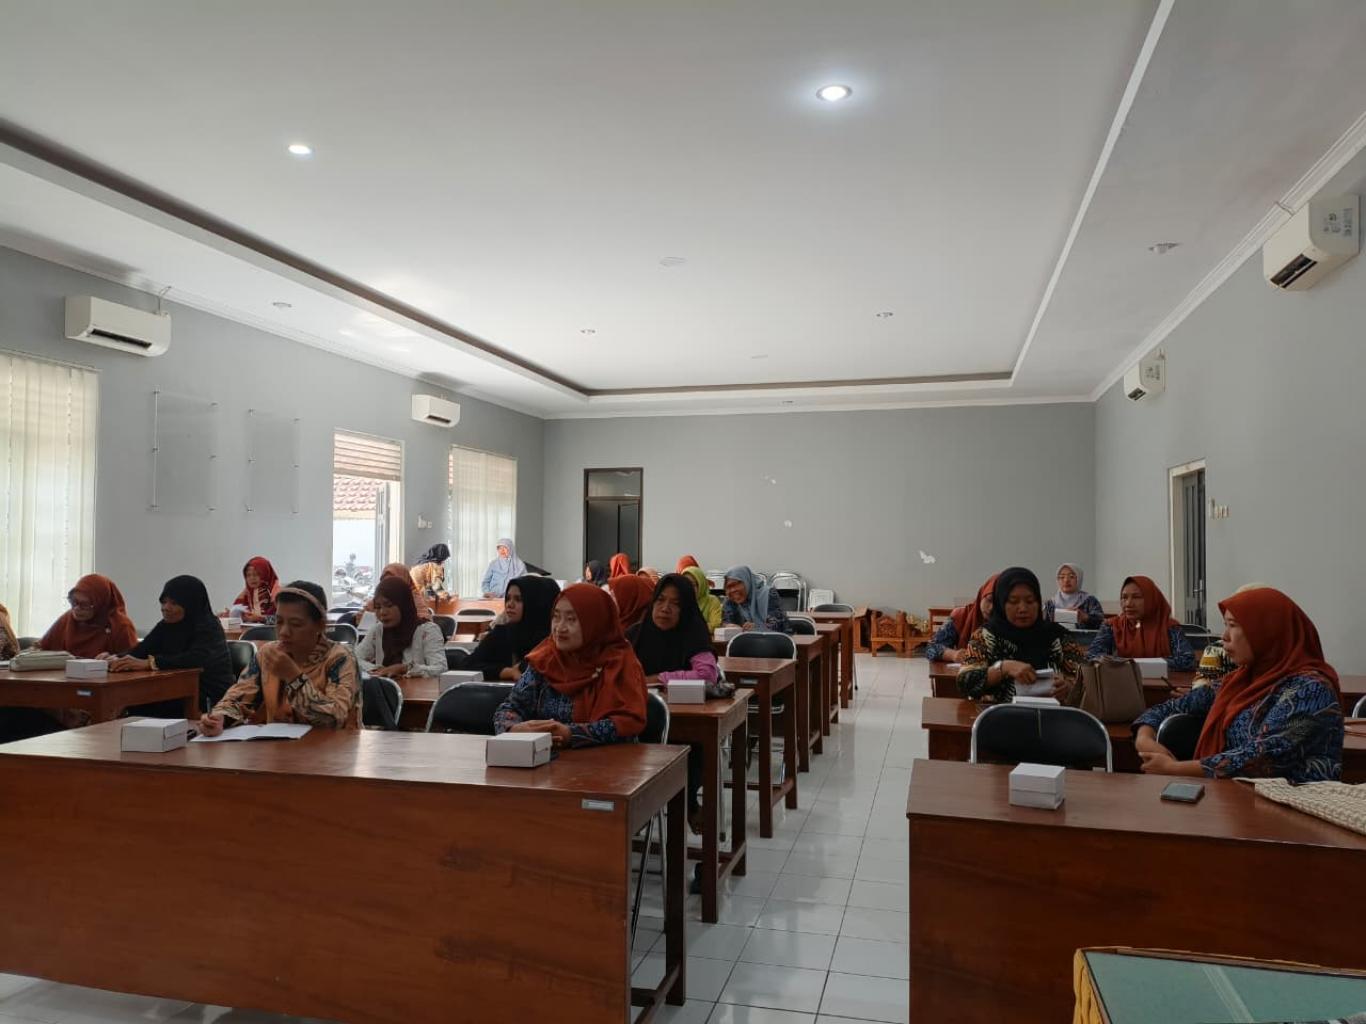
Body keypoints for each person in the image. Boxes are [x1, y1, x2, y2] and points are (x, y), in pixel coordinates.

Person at [1134, 587, 1342, 782]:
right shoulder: (1239, 681)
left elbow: (1264, 756)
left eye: (1233, 625)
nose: (1224, 636)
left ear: (1266, 631)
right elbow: (1171, 707)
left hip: (1293, 803)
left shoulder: (1312, 689)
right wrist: (1145, 737)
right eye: (1226, 625)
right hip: (1236, 797)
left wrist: (1174, 769)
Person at [629, 574, 732, 835]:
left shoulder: (693, 633)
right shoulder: (637, 634)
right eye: (660, 600)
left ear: (685, 609)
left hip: (684, 721)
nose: (665, 608)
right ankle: (636, 808)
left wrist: (659, 678)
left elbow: (707, 675)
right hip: (638, 720)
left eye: (675, 604)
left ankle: (688, 803)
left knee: (690, 747)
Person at [493, 583, 647, 747]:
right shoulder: (545, 659)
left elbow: (628, 724)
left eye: (571, 619)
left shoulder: (620, 663)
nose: (560, 628)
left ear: (595, 622)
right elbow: (510, 708)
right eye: (556, 617)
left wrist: (571, 734)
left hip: (611, 760)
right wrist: (514, 729)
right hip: (548, 757)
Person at [199, 580, 359, 734]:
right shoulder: (268, 654)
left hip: (332, 747)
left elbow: (335, 719)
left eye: (295, 624)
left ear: (320, 625)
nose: (283, 632)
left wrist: (294, 677)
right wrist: (220, 717)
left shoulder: (340, 657)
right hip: (278, 747)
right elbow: (239, 697)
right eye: (279, 622)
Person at [104, 575, 235, 710]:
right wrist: (116, 659)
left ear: (190, 604)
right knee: (127, 701)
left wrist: (151, 663)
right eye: (163, 602)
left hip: (207, 696)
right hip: (173, 689)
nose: (165, 608)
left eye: (173, 603)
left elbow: (195, 658)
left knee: (138, 703)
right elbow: (142, 649)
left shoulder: (209, 627)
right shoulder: (166, 625)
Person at [957, 567, 1084, 703]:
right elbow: (965, 682)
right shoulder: (985, 636)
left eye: (1030, 601)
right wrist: (1003, 668)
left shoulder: (1059, 636)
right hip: (997, 713)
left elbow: (1085, 681)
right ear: (1001, 603)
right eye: (1013, 602)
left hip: (1052, 714)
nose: (1023, 609)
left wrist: (1069, 688)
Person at [456, 575, 560, 681]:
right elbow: (466, 666)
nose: (509, 605)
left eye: (518, 599)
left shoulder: (556, 640)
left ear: (535, 603)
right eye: (508, 598)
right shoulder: (502, 633)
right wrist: (508, 672)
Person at [1086, 576, 1195, 670]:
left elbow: (1187, 660)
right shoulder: (1111, 626)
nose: (1128, 604)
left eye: (1136, 597)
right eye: (1124, 597)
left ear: (1151, 599)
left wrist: (1126, 664)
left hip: (1165, 685)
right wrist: (1138, 664)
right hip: (1122, 683)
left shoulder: (1170, 627)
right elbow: (1092, 656)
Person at [355, 575, 445, 678]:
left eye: (389, 605)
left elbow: (440, 669)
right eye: (378, 607)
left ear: (403, 605)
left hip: (418, 688)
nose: (382, 612)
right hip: (386, 688)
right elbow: (354, 659)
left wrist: (406, 668)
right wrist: (378, 669)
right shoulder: (378, 630)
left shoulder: (428, 631)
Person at [39, 574, 138, 657]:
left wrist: (113, 659)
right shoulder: (69, 618)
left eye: (85, 604)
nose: (77, 609)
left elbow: (132, 662)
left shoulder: (121, 626)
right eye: (74, 602)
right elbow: (43, 648)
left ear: (100, 604)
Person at [925, 574, 998, 663]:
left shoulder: (1010, 621)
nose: (991, 608)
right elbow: (931, 648)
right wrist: (953, 655)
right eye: (989, 600)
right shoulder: (961, 615)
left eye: (998, 604)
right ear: (981, 595)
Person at [722, 565, 791, 633]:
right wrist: (727, 626)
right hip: (744, 639)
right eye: (728, 587)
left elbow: (778, 625)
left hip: (776, 638)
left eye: (735, 585)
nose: (732, 590)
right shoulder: (730, 600)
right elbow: (726, 621)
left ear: (746, 581)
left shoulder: (768, 594)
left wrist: (758, 627)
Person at [1043, 563, 1103, 628]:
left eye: (1071, 577)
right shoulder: (1050, 604)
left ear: (1079, 579)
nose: (1066, 580)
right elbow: (1042, 626)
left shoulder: (1090, 601)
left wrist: (1085, 617)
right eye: (1062, 577)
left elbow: (1101, 623)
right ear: (1057, 580)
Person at [364, 563, 432, 619]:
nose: (389, 587)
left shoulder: (415, 600)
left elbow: (424, 620)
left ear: (404, 581)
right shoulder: (377, 601)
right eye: (385, 582)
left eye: (393, 582)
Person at [233, 557, 280, 623]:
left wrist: (261, 619)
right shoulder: (246, 594)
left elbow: (282, 620)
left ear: (266, 574)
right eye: (248, 575)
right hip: (250, 628)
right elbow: (239, 614)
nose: (252, 578)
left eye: (256, 574)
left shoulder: (277, 593)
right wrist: (231, 615)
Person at [683, 566, 723, 631]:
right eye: (686, 584)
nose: (689, 588)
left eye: (693, 585)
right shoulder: (679, 601)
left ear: (701, 584)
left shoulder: (712, 601)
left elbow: (715, 625)